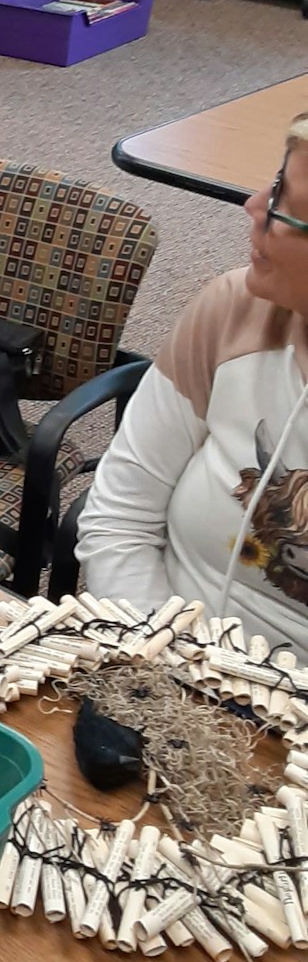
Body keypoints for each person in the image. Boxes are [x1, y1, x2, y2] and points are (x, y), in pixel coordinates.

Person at [78, 118, 308, 652]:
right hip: (157, 663)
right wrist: (169, 677)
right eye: (275, 182)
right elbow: (119, 520)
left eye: (280, 204)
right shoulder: (234, 310)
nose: (253, 206)